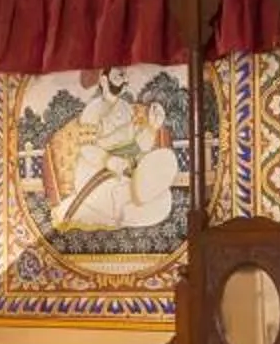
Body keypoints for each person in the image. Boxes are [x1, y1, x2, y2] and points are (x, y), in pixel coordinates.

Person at [43, 71, 184, 232]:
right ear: (103, 80)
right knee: (130, 198)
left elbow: (136, 147)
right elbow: (87, 148)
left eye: (125, 76)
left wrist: (152, 128)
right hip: (94, 173)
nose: (124, 81)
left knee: (165, 199)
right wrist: (108, 160)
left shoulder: (126, 109)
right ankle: (123, 211)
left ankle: (128, 209)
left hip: (123, 173)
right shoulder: (93, 110)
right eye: (118, 77)